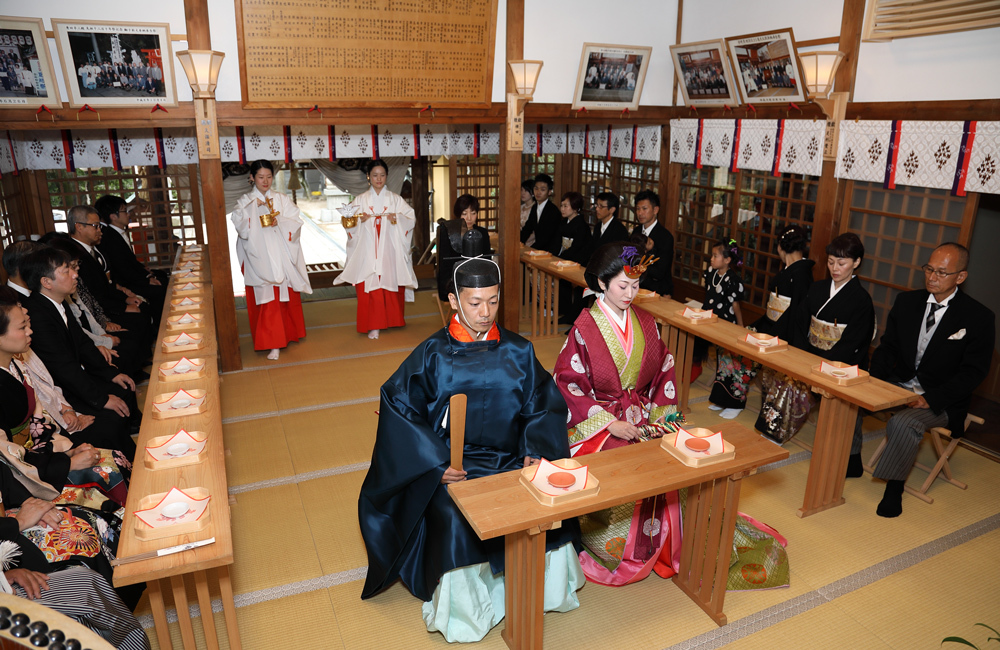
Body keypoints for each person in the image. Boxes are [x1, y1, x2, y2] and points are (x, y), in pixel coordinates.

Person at [358, 230, 583, 643]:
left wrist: (536, 449)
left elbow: (542, 404)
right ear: (453, 300)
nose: (485, 312)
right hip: (455, 467)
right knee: (454, 517)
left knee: (546, 505)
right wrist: (434, 463)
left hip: (512, 459)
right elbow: (398, 406)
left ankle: (541, 593)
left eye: (493, 301)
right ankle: (468, 615)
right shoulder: (432, 354)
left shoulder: (518, 350)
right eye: (475, 303)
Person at [554, 242, 684, 586]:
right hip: (599, 421)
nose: (630, 294)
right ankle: (618, 547)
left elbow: (664, 371)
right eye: (622, 286)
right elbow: (568, 383)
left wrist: (661, 421)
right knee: (625, 466)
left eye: (636, 286)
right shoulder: (583, 328)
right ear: (602, 283)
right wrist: (610, 424)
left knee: (672, 459)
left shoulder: (647, 322)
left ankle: (667, 542)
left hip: (643, 415)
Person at [850, 243, 994, 517]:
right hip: (901, 384)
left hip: (941, 399)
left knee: (903, 422)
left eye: (941, 272)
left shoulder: (978, 317)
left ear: (960, 277)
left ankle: (894, 488)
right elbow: (888, 347)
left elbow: (973, 372)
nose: (932, 277)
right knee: (852, 398)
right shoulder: (907, 302)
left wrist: (930, 399)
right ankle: (853, 458)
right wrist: (873, 382)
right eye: (929, 269)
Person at [0, 288, 131, 508]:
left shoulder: (16, 365)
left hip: (42, 459)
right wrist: (66, 464)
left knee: (115, 460)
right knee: (104, 477)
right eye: (22, 327)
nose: (30, 331)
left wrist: (67, 452)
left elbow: (40, 422)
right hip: (24, 482)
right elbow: (7, 458)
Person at [20, 247, 140, 452]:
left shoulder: (58, 302)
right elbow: (63, 367)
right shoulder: (37, 314)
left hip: (73, 380)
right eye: (66, 271)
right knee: (109, 421)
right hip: (61, 393)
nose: (75, 274)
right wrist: (101, 400)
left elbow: (83, 344)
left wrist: (110, 374)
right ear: (46, 282)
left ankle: (132, 440)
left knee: (123, 385)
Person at [760, 233, 875, 444]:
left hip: (837, 362)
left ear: (856, 262)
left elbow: (854, 341)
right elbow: (800, 322)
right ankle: (771, 429)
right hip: (808, 353)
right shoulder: (817, 288)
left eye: (841, 263)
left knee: (793, 387)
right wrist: (802, 355)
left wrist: (823, 363)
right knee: (777, 373)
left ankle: (775, 433)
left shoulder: (861, 300)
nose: (835, 268)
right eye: (831, 262)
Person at [232, 159, 312, 360]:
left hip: (280, 252)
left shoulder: (281, 198)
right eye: (261, 177)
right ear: (252, 177)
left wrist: (280, 221)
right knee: (267, 298)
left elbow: (295, 221)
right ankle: (272, 342)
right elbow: (241, 228)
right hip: (258, 257)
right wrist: (253, 208)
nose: (265, 181)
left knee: (283, 296)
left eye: (269, 177)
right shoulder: (245, 201)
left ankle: (289, 334)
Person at [334, 159, 417, 340]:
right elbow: (348, 222)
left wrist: (397, 218)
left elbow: (410, 218)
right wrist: (358, 220)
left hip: (389, 247)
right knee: (370, 282)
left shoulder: (395, 199)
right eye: (375, 175)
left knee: (388, 280)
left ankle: (391, 320)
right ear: (368, 177)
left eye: (382, 175)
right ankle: (373, 325)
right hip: (368, 248)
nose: (378, 179)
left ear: (386, 176)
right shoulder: (360, 200)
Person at [752, 226, 816, 441]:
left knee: (781, 385)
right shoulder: (791, 271)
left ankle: (775, 431)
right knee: (769, 381)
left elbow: (796, 313)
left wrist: (773, 334)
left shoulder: (802, 274)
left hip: (787, 333)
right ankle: (763, 421)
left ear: (780, 247)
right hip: (774, 327)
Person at [702, 240, 755, 417]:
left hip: (728, 324)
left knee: (732, 364)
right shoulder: (711, 272)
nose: (711, 259)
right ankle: (720, 399)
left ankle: (735, 403)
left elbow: (735, 305)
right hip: (712, 322)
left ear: (727, 260)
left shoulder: (733, 279)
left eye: (715, 256)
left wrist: (740, 326)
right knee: (721, 363)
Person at [94, 195, 167, 320]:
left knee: (162, 276)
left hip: (130, 277)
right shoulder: (109, 238)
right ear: (113, 216)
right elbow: (123, 269)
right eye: (124, 211)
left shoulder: (117, 233)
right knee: (159, 288)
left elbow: (130, 261)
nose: (128, 214)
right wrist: (147, 279)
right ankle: (159, 324)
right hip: (125, 283)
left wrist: (146, 273)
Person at [436, 194, 490, 302]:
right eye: (464, 213)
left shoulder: (482, 233)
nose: (469, 218)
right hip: (456, 282)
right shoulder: (450, 233)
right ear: (458, 214)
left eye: (473, 213)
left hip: (478, 282)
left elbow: (487, 261)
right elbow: (445, 266)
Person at [556, 191, 593, 324]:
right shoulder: (564, 223)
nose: (562, 209)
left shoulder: (581, 226)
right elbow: (558, 242)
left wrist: (562, 258)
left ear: (575, 207)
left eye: (566, 206)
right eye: (561, 205)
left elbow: (578, 247)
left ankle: (576, 318)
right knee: (563, 284)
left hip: (580, 261)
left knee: (579, 291)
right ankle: (566, 313)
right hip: (566, 258)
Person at [630, 190, 674, 298]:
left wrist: (638, 265)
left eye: (644, 208)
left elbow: (660, 272)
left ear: (655, 210)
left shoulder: (665, 237)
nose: (640, 213)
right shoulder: (636, 232)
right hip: (635, 286)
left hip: (657, 290)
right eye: (638, 209)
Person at [519, 174, 562, 255]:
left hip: (550, 251)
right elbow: (527, 228)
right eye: (536, 188)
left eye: (542, 190)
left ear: (549, 192)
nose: (538, 192)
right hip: (539, 249)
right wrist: (518, 242)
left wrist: (530, 250)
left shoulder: (553, 211)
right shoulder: (535, 207)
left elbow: (545, 237)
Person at [518, 179, 535, 247]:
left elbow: (536, 232)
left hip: (531, 243)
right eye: (522, 190)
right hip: (519, 241)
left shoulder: (535, 209)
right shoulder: (520, 208)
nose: (523, 193)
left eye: (526, 191)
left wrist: (523, 241)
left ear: (533, 193)